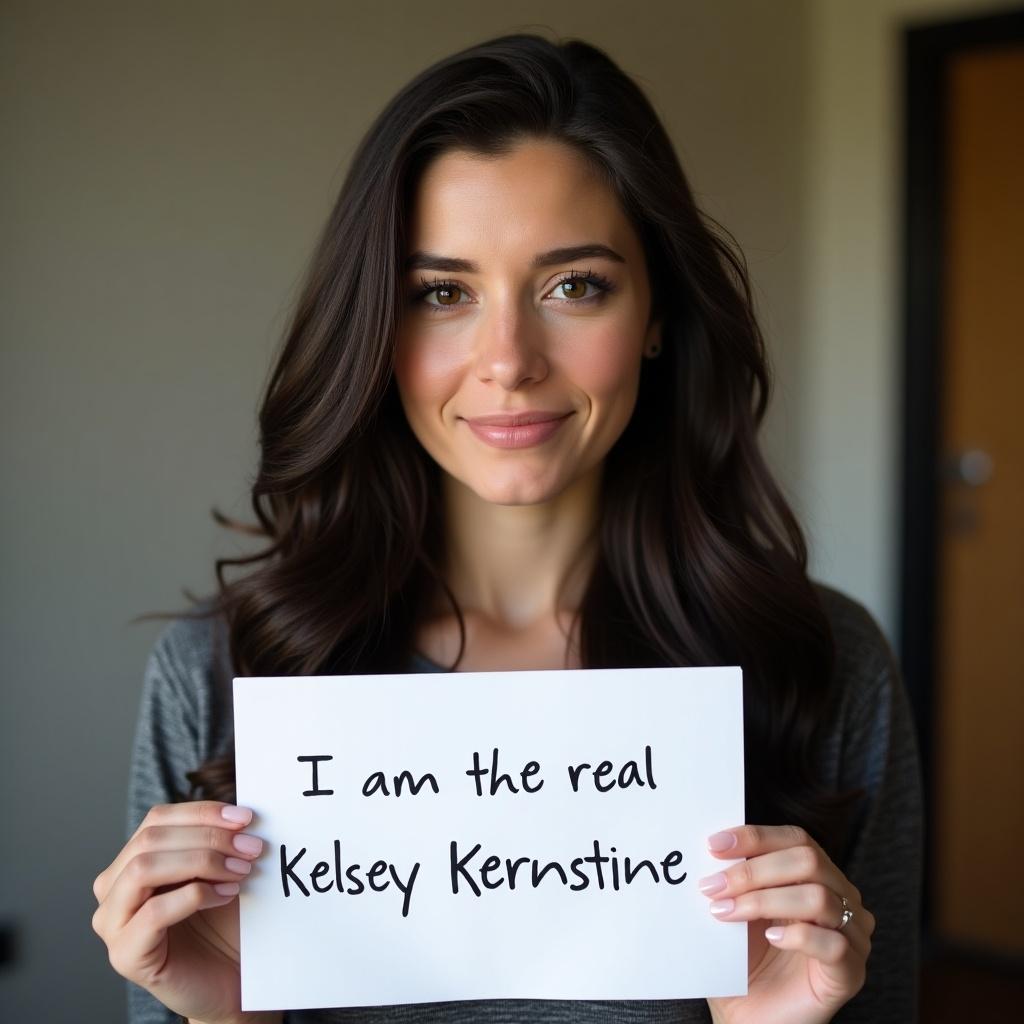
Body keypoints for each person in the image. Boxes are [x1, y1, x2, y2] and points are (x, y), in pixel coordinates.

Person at [91, 32, 923, 1024]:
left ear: (657, 310)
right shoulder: (215, 676)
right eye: (442, 294)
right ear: (376, 329)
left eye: (575, 285)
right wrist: (228, 1016)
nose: (507, 359)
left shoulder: (823, 666)